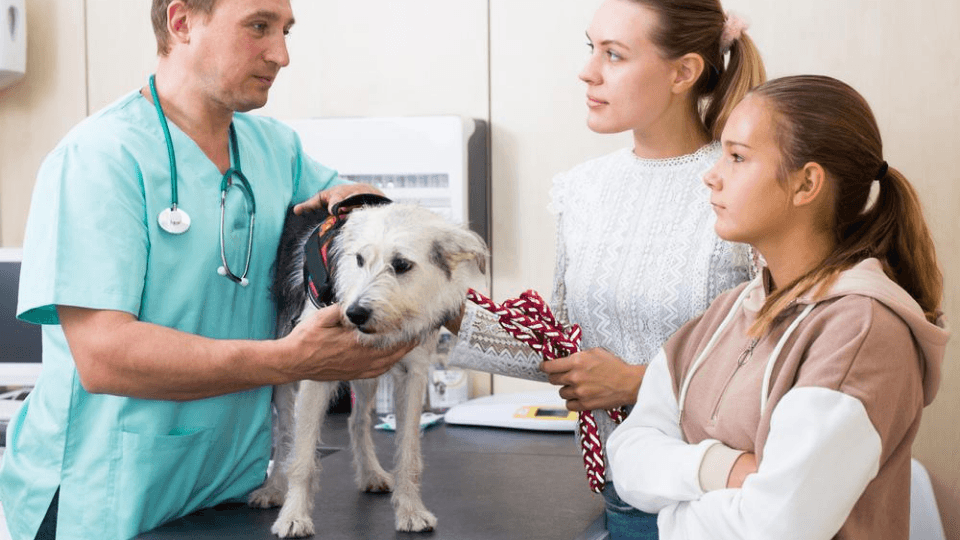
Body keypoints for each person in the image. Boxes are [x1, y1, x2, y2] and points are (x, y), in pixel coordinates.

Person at [0, 1, 413, 539]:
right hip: (106, 499)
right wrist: (288, 360)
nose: (282, 54)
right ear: (181, 21)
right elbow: (105, 358)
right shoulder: (100, 157)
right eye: (258, 27)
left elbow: (365, 213)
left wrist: (360, 205)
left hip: (226, 492)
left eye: (285, 31)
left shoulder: (275, 150)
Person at [445, 0, 765, 536]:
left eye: (614, 55)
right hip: (622, 497)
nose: (587, 70)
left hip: (723, 506)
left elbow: (780, 369)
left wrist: (639, 382)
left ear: (683, 72)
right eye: (591, 48)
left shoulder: (740, 188)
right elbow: (569, 351)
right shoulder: (583, 190)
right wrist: (433, 306)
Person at [606, 75, 949, 539]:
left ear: (806, 183)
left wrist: (657, 521)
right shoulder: (729, 313)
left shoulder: (860, 333)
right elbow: (628, 453)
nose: (712, 173)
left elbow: (776, 528)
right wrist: (724, 470)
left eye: (738, 157)